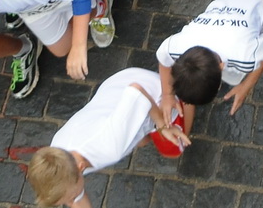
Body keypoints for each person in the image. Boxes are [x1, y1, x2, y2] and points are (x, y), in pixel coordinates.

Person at [25, 69, 194, 208]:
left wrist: (163, 127)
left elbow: (136, 91)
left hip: (151, 89)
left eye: (70, 198)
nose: (70, 203)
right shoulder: (59, 155)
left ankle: (189, 92)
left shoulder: (109, 147)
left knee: (173, 146)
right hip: (115, 88)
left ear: (81, 168)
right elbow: (76, 198)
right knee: (140, 141)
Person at [153, 0, 263, 127]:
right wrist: (167, 95)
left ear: (221, 67)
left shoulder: (245, 55)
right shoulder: (175, 46)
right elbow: (163, 60)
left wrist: (246, 86)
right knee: (235, 77)